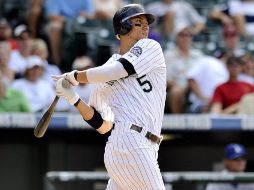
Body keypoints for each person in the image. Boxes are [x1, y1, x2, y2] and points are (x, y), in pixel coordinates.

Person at [53, 4, 166, 190]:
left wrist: (75, 76)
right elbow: (102, 124)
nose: (146, 27)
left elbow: (119, 70)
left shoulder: (150, 47)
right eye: (138, 22)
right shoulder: (103, 73)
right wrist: (72, 98)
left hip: (139, 146)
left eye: (146, 23)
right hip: (130, 142)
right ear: (122, 28)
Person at [164, 24, 203, 113]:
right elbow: (165, 79)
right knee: (176, 92)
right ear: (177, 37)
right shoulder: (169, 55)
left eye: (188, 35)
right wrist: (180, 86)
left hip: (196, 87)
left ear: (191, 38)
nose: (185, 38)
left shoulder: (198, 55)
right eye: (182, 35)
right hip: (178, 86)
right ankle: (178, 124)